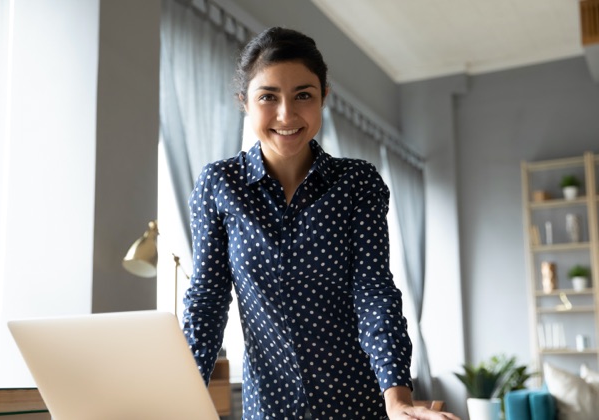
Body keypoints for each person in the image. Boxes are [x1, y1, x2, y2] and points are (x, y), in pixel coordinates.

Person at [183, 26, 460, 420]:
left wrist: (397, 398)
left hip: (357, 404)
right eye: (268, 97)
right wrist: (178, 397)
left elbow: (374, 291)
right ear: (245, 102)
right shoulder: (220, 185)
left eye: (303, 96)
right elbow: (207, 302)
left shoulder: (357, 183)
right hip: (269, 408)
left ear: (323, 98)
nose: (286, 114)